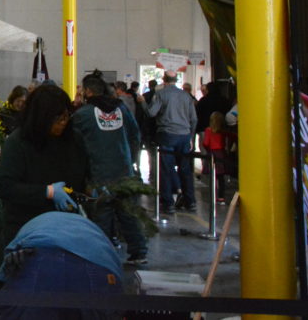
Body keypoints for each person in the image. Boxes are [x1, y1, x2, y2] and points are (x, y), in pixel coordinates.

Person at [0, 83, 90, 244]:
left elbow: (83, 172)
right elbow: (5, 186)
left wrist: (91, 189)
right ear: (41, 117)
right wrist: (47, 191)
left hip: (67, 226)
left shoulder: (74, 139)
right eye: (58, 119)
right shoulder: (18, 142)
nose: (63, 123)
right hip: (28, 229)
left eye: (66, 117)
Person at [72, 72, 147, 266]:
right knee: (128, 215)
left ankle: (102, 257)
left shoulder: (82, 114)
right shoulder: (121, 108)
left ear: (88, 91)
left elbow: (73, 143)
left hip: (99, 174)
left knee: (102, 218)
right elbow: (135, 134)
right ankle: (139, 253)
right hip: (124, 171)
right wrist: (129, 159)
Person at [0, 211, 124, 320]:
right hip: (98, 264)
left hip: (40, 259)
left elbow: (4, 275)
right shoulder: (91, 230)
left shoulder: (32, 229)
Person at [139, 71, 197, 213]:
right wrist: (191, 137)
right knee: (185, 169)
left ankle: (168, 203)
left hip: (167, 134)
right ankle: (190, 201)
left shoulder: (161, 95)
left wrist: (143, 103)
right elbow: (194, 119)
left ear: (163, 80)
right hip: (184, 135)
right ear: (176, 80)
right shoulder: (185, 95)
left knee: (166, 169)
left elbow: (151, 113)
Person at [201, 111, 229, 203]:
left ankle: (213, 196)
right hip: (221, 153)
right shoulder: (223, 131)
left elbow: (205, 143)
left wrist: (208, 149)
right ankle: (221, 197)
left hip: (212, 153)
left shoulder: (208, 130)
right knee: (221, 177)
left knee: (213, 177)